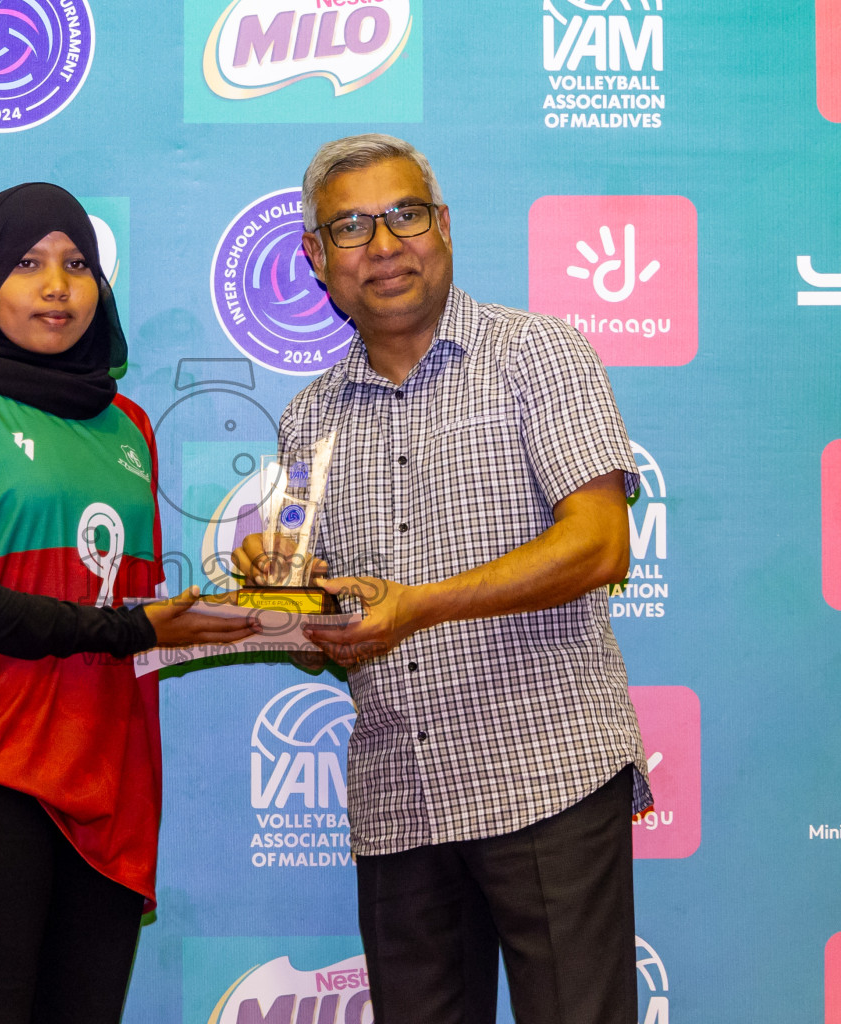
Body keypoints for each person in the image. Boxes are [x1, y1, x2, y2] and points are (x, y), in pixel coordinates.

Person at [234, 136, 651, 1024]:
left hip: (545, 774)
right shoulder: (307, 420)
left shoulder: (539, 354)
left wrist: (416, 608)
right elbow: (330, 638)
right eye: (350, 227)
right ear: (316, 257)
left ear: (444, 227)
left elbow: (600, 546)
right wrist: (286, 601)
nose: (382, 245)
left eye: (404, 215)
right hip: (398, 799)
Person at [0, 182, 255, 1024]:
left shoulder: (130, 426)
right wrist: (129, 627)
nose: (57, 286)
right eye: (29, 264)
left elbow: (139, 614)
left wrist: (270, 610)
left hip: (108, 780)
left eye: (77, 264)